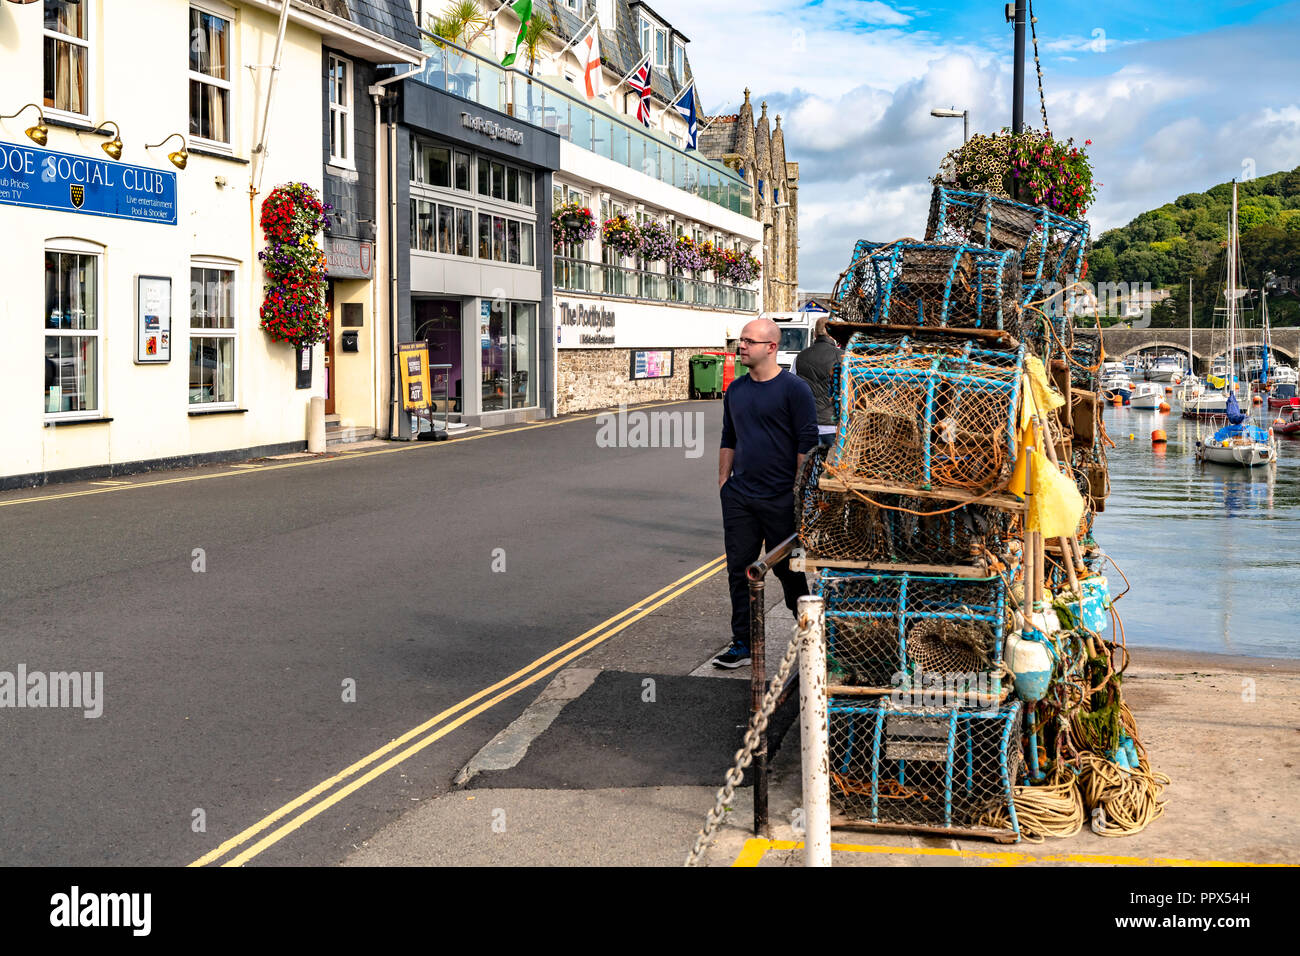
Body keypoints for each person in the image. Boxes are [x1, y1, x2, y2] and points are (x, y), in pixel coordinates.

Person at [714, 318, 819, 668]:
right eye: (741, 340)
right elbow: (729, 437)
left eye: (748, 341)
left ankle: (812, 638)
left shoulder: (794, 389)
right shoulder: (736, 390)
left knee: (789, 572)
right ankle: (742, 643)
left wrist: (797, 492)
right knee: (739, 570)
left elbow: (807, 444)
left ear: (770, 347)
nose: (741, 346)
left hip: (780, 498)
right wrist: (723, 482)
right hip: (740, 496)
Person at [795, 317, 843, 447]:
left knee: (807, 465)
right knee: (832, 465)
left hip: (806, 422)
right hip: (834, 424)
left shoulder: (800, 357)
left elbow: (792, 388)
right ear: (833, 335)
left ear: (815, 334)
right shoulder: (842, 357)